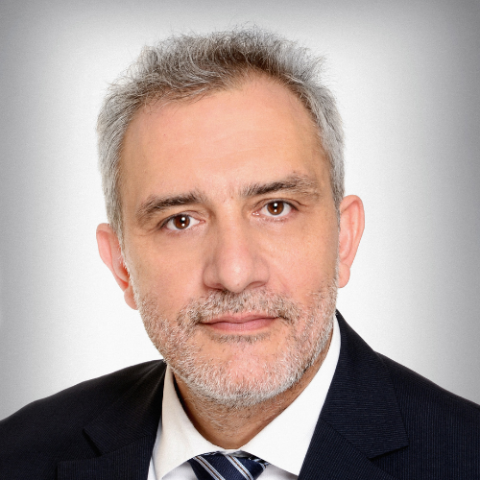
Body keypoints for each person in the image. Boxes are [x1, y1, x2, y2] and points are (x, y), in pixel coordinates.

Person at [0, 27, 479, 479]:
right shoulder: (17, 454)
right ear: (121, 264)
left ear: (344, 239)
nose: (233, 273)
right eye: (180, 220)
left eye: (275, 207)